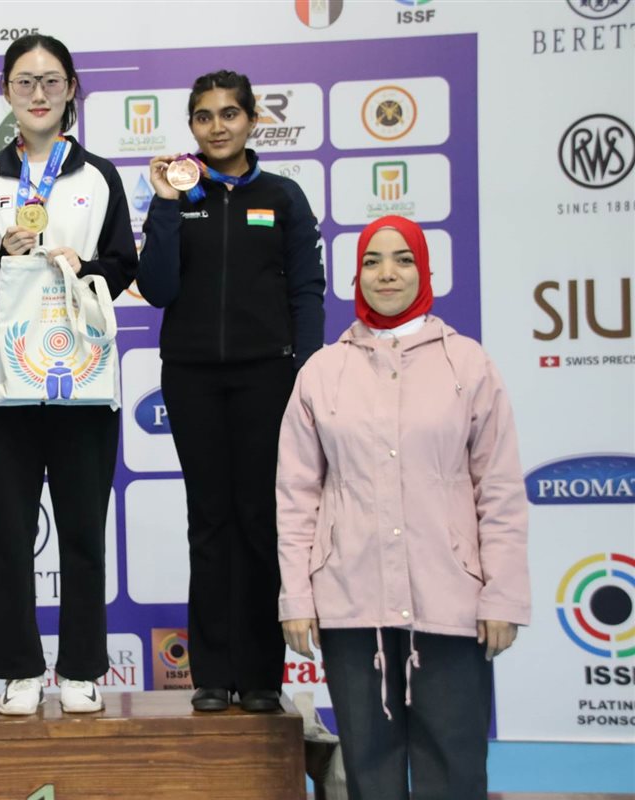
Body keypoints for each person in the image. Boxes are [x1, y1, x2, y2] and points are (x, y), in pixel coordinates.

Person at [277, 215, 529, 800]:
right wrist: (298, 597)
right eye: (372, 261)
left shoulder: (468, 365)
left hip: (451, 601)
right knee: (369, 771)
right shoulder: (322, 372)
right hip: (350, 602)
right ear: (356, 275)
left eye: (403, 259)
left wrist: (503, 595)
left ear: (424, 270)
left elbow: (498, 489)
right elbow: (296, 496)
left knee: (454, 769)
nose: (386, 273)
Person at [0, 34, 138, 716]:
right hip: (4, 382)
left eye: (51, 81)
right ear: (6, 91)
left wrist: (82, 267)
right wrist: (4, 256)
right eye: (25, 82)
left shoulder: (99, 177)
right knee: (9, 532)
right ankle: (19, 669)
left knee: (84, 530)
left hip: (81, 378)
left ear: (71, 90)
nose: (38, 94)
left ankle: (83, 668)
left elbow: (123, 264)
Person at [137, 69, 325, 713]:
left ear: (252, 120)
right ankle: (212, 675)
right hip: (191, 377)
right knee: (210, 522)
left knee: (260, 521)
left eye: (229, 114)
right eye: (204, 116)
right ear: (192, 124)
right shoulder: (178, 192)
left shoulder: (283, 196)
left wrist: (305, 374)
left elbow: (306, 290)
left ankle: (263, 676)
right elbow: (158, 288)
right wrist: (165, 204)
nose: (217, 127)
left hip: (267, 378)